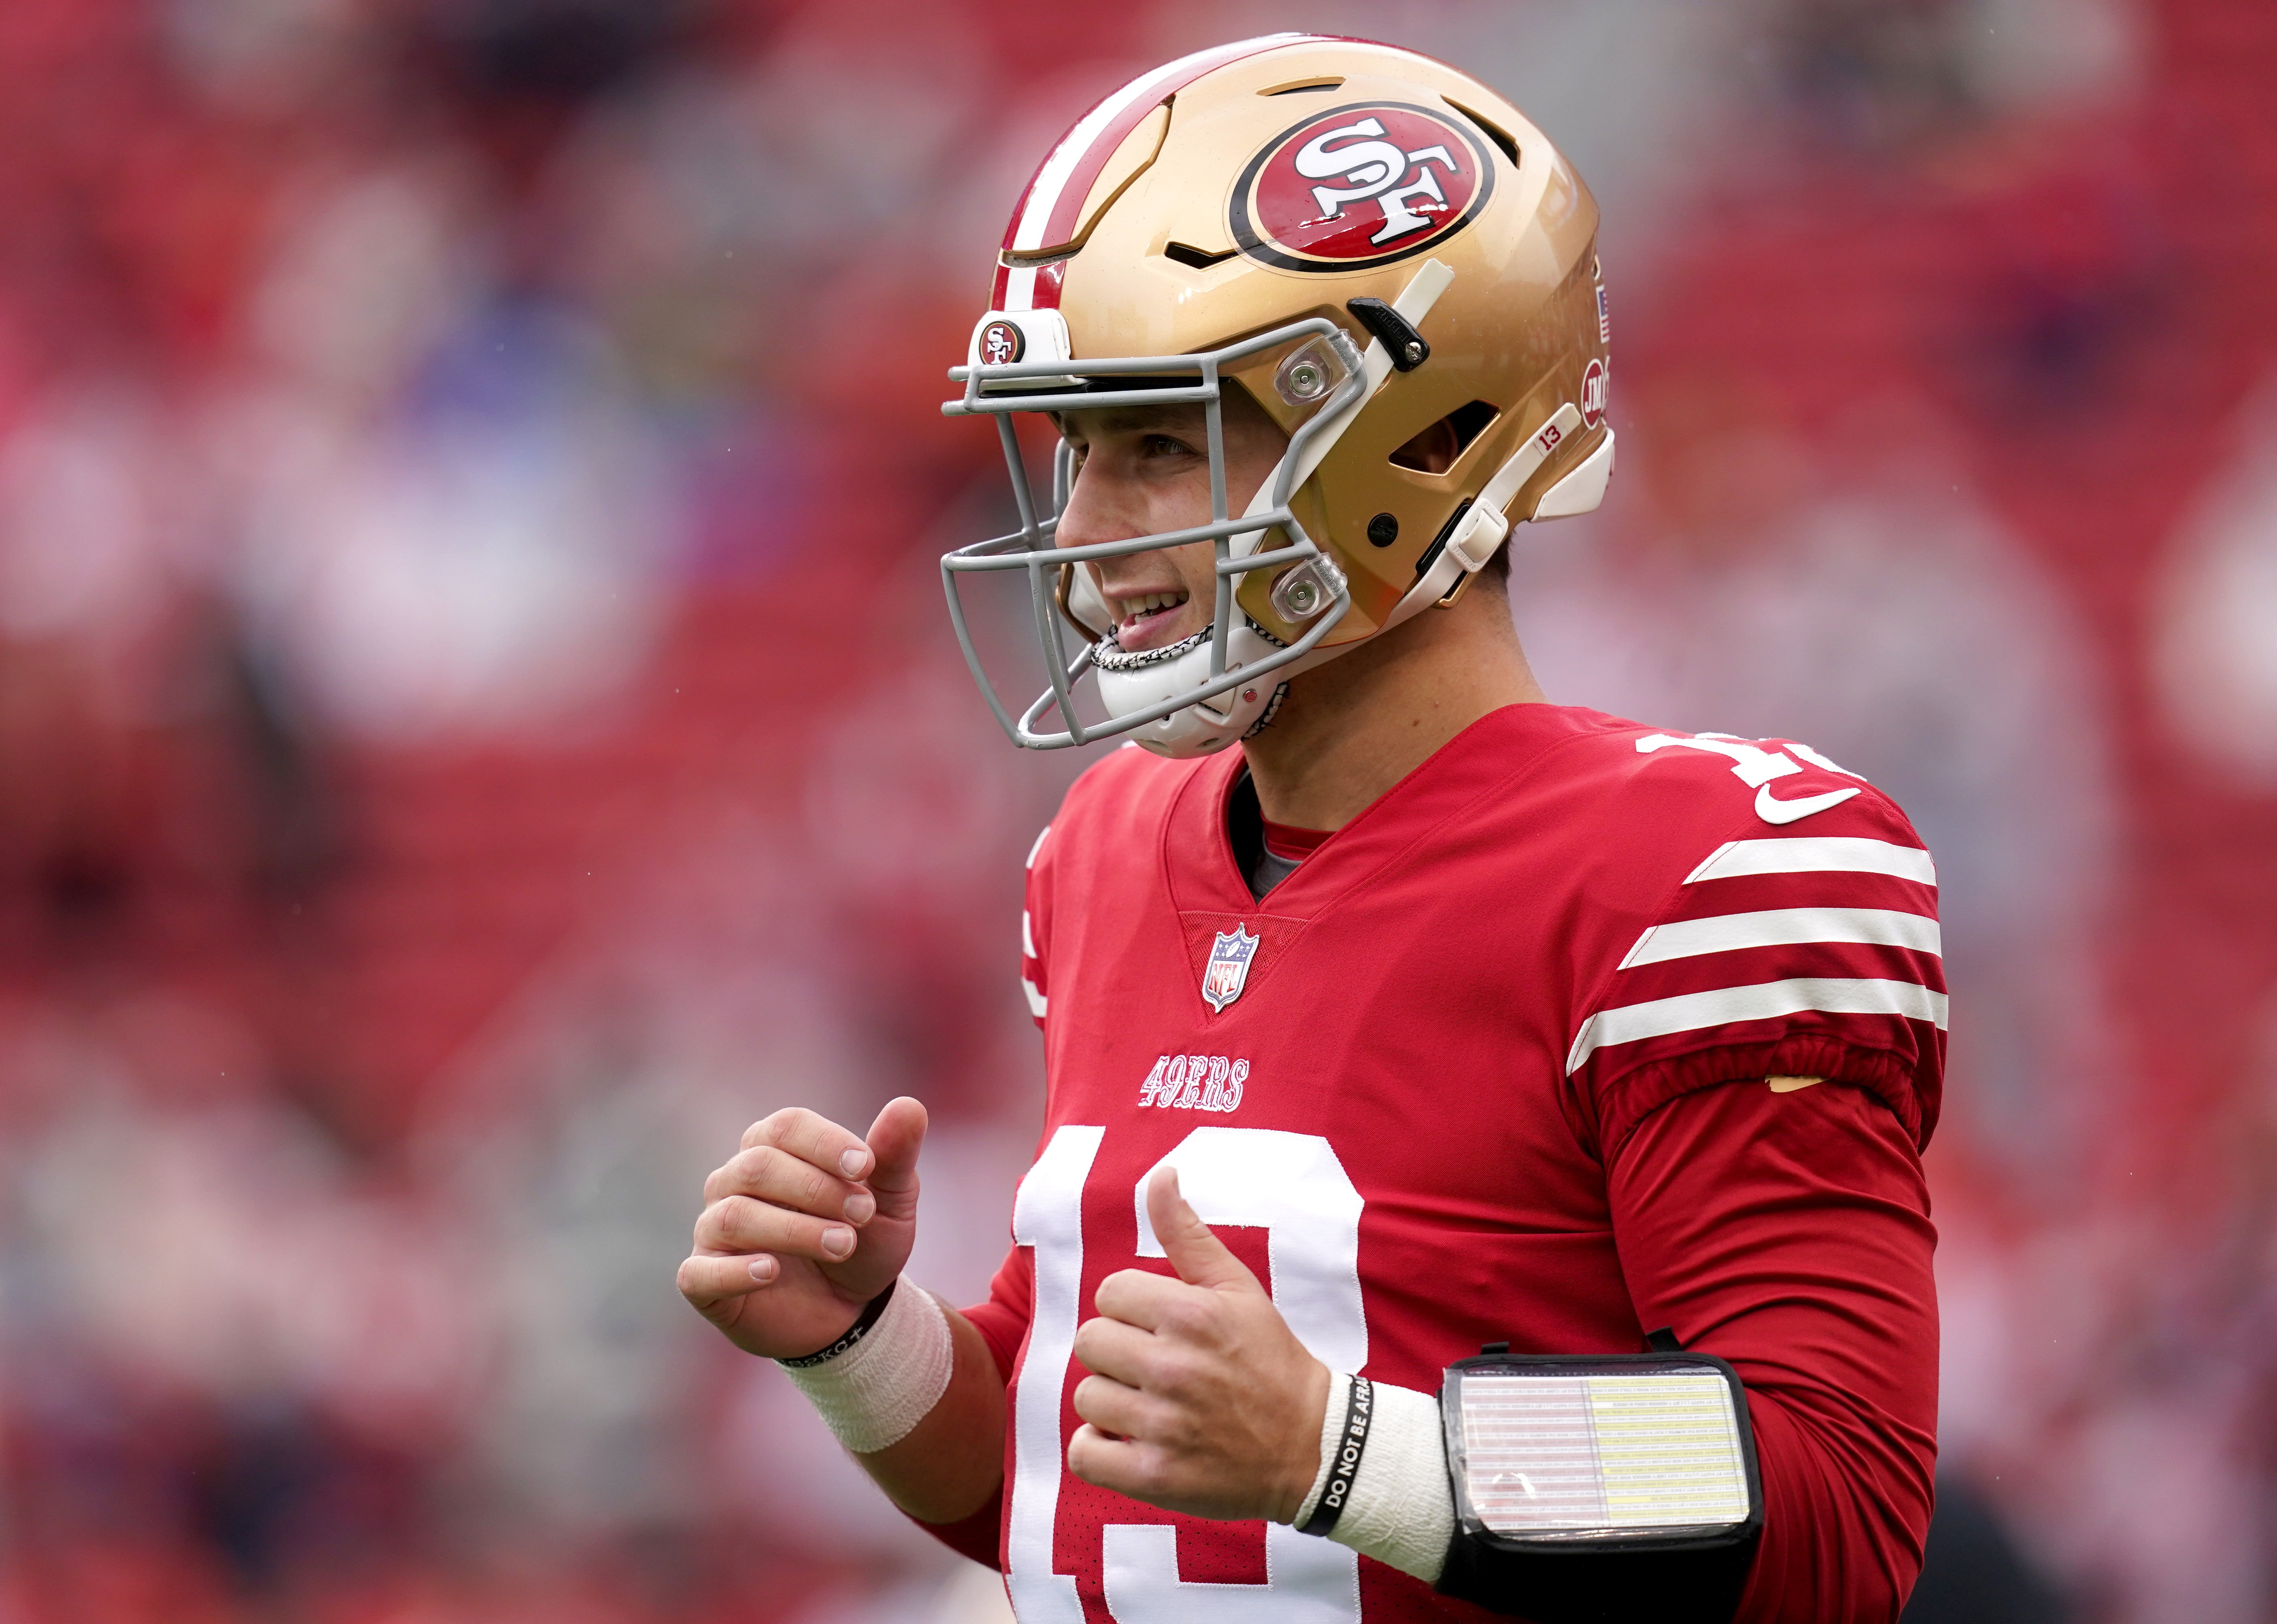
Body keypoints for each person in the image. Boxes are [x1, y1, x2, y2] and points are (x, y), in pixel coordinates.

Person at [677, 33, 1942, 1624]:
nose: (1080, 538)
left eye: (1156, 443)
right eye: (1075, 451)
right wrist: (863, 1341)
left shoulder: (1702, 874)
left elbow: (1831, 1509)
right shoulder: (1107, 849)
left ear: (1412, 437)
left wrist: (1347, 1452)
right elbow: (1112, 1497)